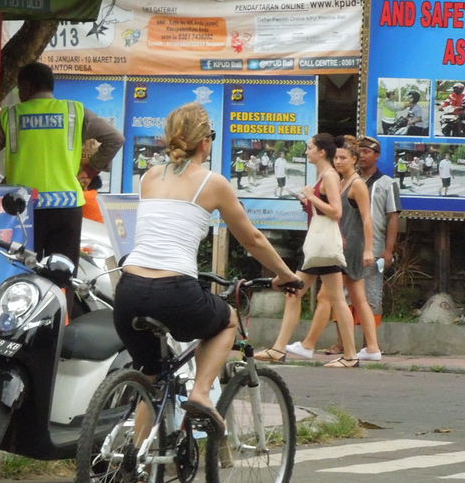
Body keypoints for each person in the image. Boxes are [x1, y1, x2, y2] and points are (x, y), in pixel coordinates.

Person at [114, 102, 302, 438]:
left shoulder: (150, 176)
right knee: (226, 320)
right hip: (173, 289)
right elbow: (253, 239)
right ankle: (201, 393)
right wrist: (286, 274)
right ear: (205, 142)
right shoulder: (213, 183)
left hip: (128, 290)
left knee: (152, 377)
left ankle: (136, 463)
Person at [0, 62, 123, 268]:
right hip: (67, 206)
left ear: (26, 86)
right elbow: (115, 138)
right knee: (62, 271)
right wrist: (91, 169)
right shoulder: (75, 111)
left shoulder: (10, 115)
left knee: (22, 271)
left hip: (25, 208)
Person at [256, 133, 360, 368]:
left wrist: (312, 197)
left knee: (332, 298)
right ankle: (279, 348)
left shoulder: (330, 176)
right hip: (317, 245)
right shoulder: (324, 175)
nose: (306, 151)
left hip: (323, 245)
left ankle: (350, 356)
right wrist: (309, 203)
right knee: (295, 292)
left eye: (310, 147)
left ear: (321, 152)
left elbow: (336, 211)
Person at [300, 137, 382, 361]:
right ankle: (372, 347)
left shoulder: (357, 184)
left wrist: (368, 249)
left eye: (343, 158)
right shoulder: (341, 181)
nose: (338, 161)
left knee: (327, 296)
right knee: (357, 297)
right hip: (341, 241)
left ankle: (308, 344)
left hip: (351, 245)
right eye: (336, 157)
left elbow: (367, 218)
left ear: (354, 159)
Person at [354, 135, 400, 329]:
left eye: (366, 152)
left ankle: (369, 341)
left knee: (372, 294)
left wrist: (388, 250)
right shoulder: (349, 180)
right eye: (359, 152)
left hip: (375, 246)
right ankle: (342, 341)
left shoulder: (388, 183)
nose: (362, 156)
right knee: (345, 295)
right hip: (349, 245)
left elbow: (393, 217)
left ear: (377, 155)